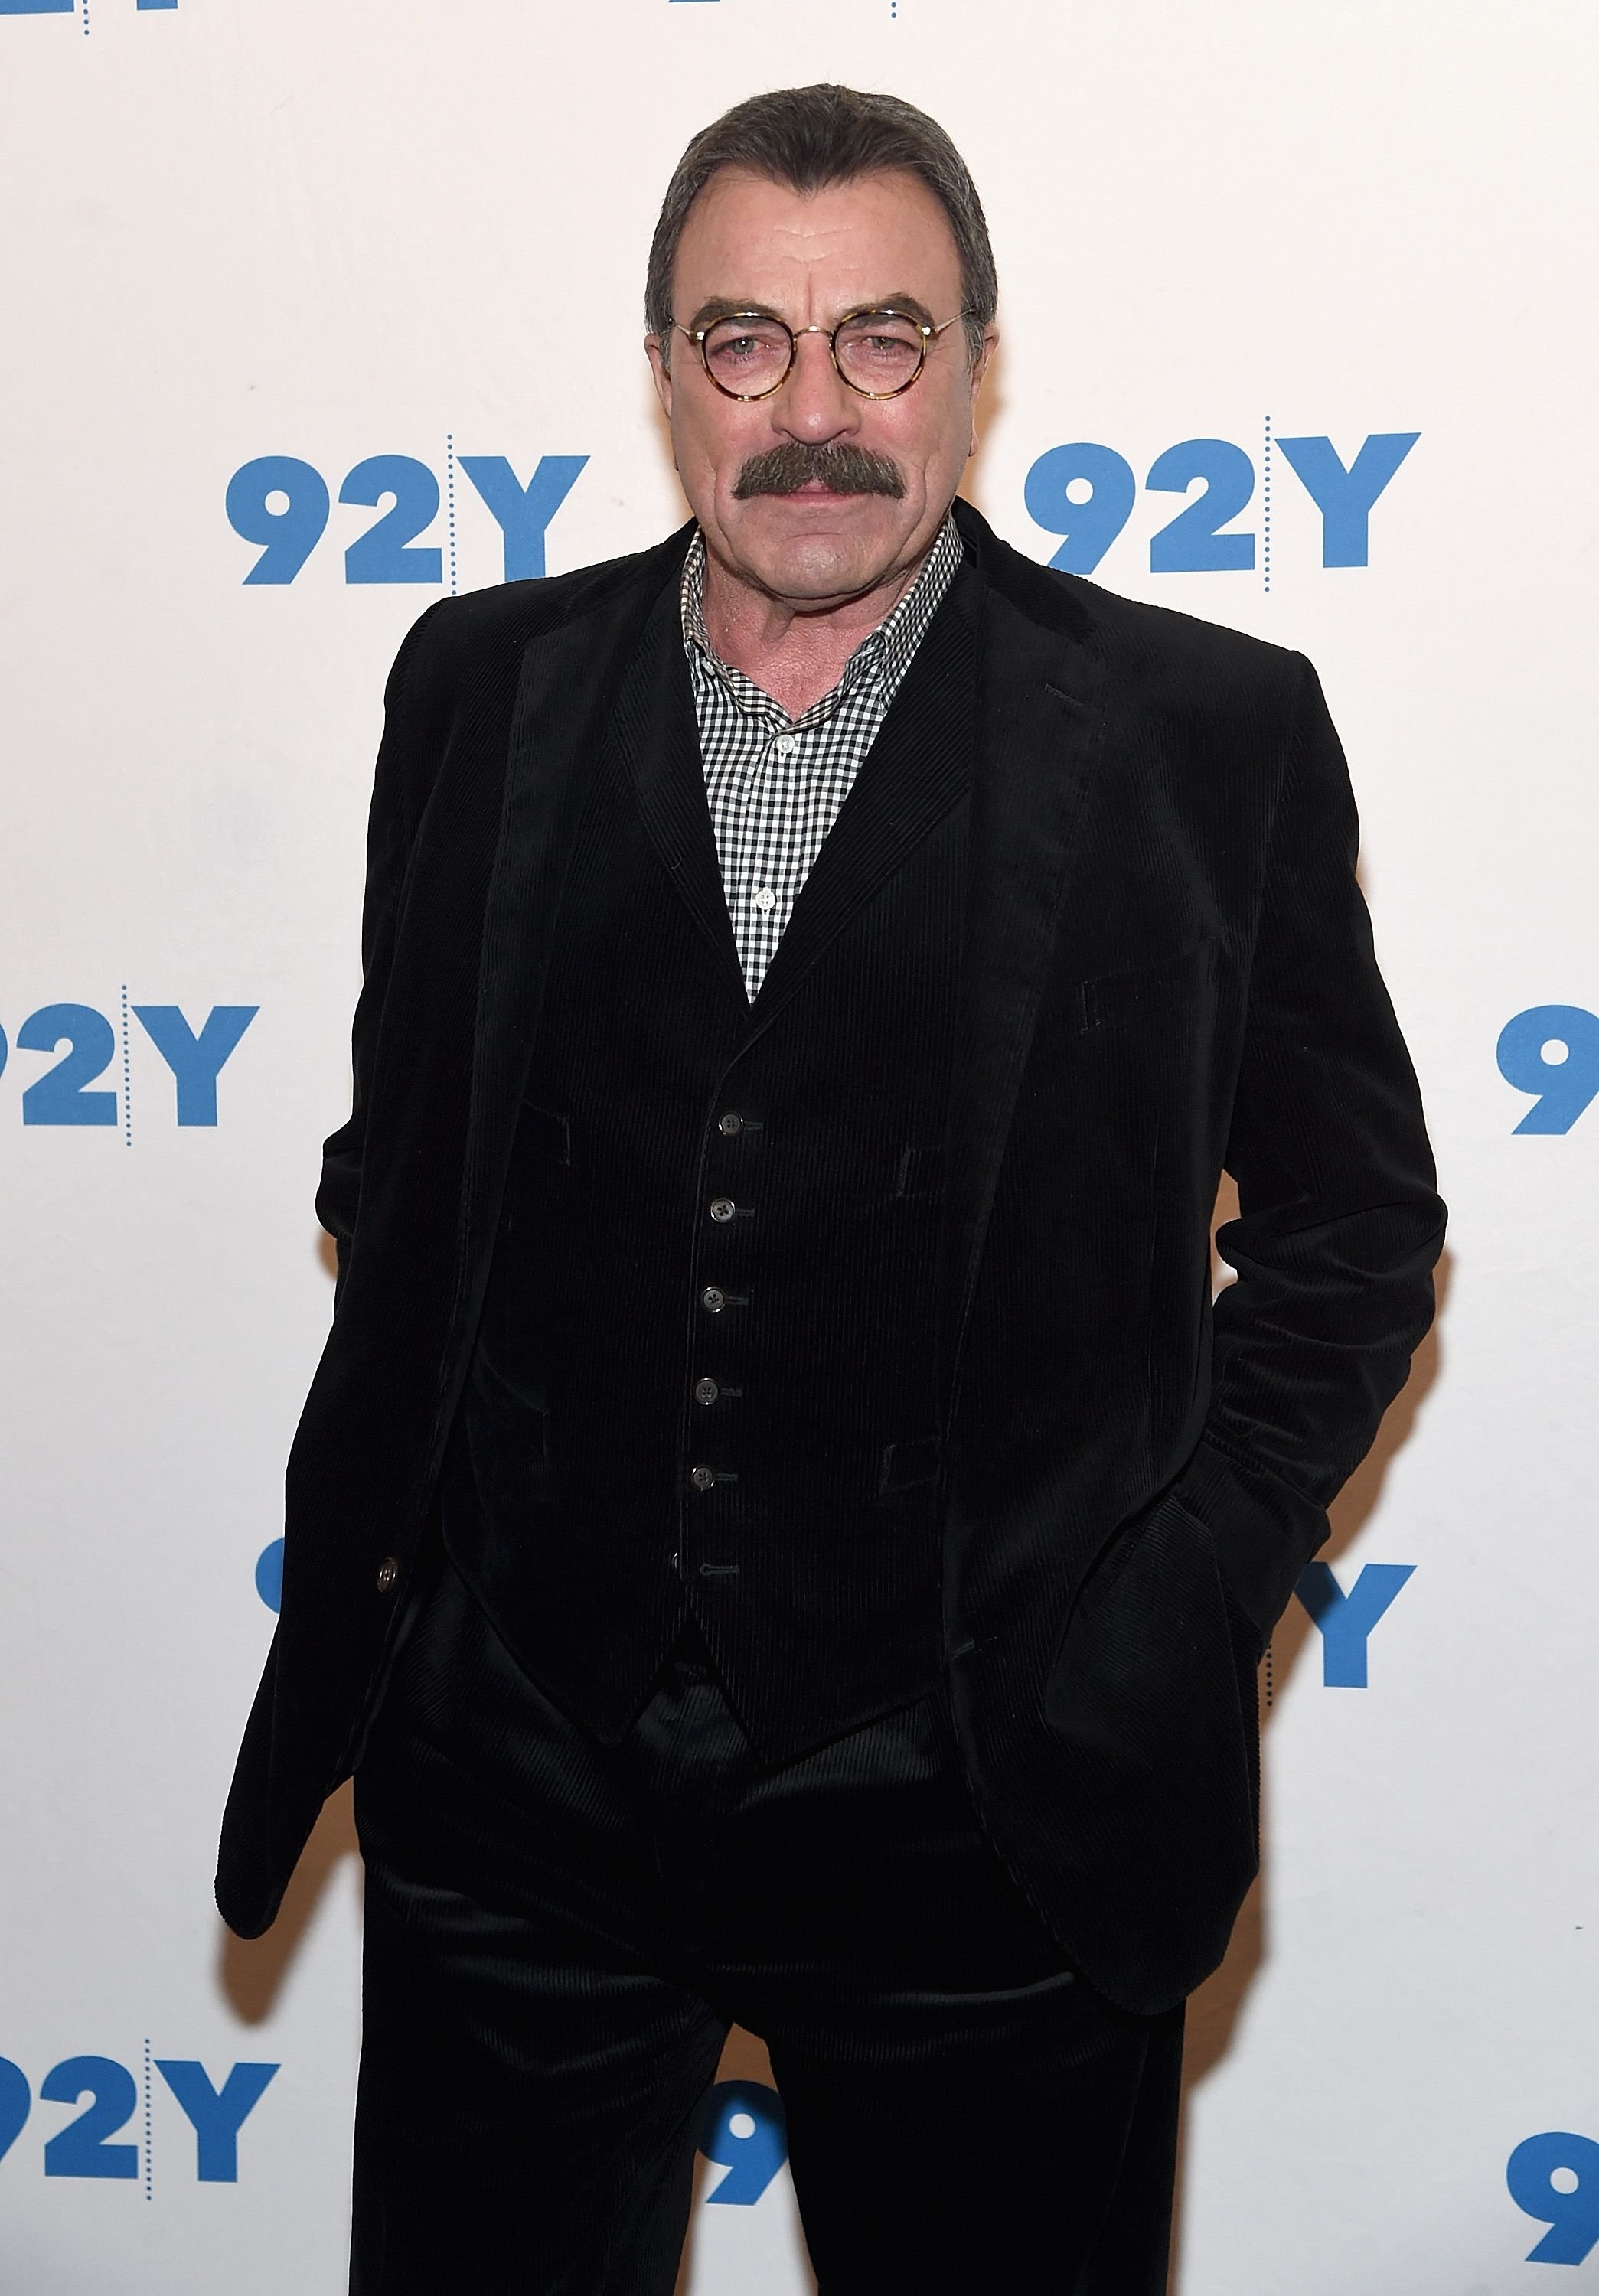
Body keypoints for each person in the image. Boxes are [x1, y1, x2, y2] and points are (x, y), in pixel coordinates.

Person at [217, 82, 1444, 2295]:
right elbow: (406, 1151)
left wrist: (1166, 1605)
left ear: (976, 361)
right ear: (666, 368)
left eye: (879, 339)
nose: (812, 412)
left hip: (988, 1801)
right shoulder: (476, 688)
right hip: (518, 1784)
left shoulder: (1201, 731)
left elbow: (1355, 1226)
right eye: (741, 343)